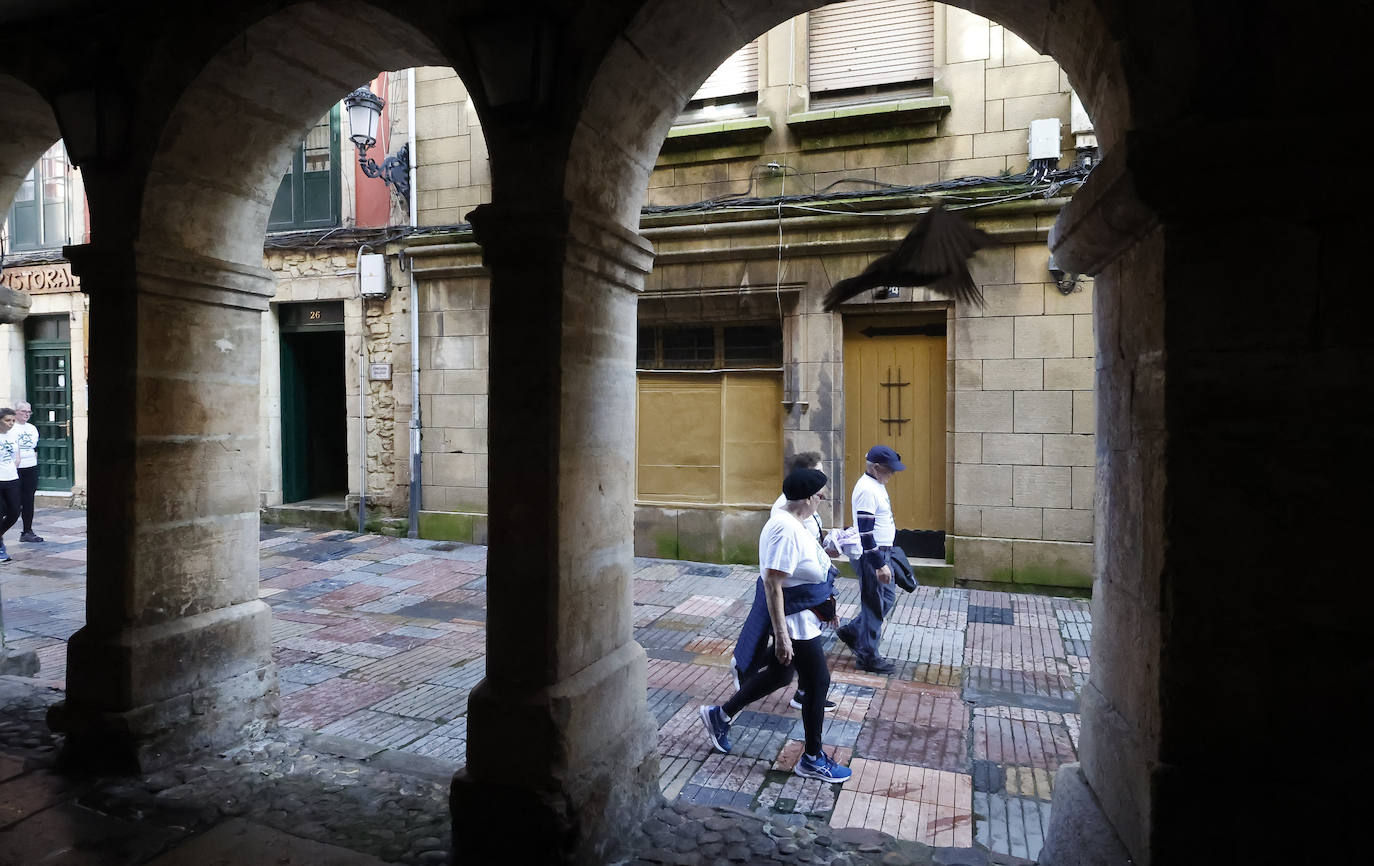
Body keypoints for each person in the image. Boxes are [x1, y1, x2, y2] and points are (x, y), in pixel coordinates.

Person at [698, 467, 852, 784]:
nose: (822, 501)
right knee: (818, 682)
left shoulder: (794, 520)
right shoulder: (784, 529)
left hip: (803, 612)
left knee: (782, 674)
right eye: (821, 496)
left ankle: (720, 715)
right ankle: (812, 758)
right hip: (794, 620)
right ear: (808, 498)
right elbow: (773, 584)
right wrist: (781, 636)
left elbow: (802, 568)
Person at [835, 444, 906, 674]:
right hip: (872, 554)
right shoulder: (868, 489)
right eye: (889, 470)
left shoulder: (875, 484)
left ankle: (854, 631)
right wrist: (878, 564)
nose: (892, 474)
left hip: (880, 552)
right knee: (875, 603)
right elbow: (866, 532)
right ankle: (867, 656)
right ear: (876, 467)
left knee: (885, 598)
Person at [13, 401, 43, 542]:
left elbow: (34, 446)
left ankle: (27, 531)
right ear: (16, 412)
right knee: (13, 502)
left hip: (30, 466)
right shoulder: (11, 427)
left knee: (28, 499)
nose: (26, 414)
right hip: (16, 468)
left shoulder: (32, 428)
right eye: (23, 411)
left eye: (29, 412)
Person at [0, 408, 20, 563]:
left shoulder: (13, 434)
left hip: (12, 477)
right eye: (8, 420)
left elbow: (16, 455)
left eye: (13, 420)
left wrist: (15, 463)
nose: (11, 424)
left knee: (14, 512)